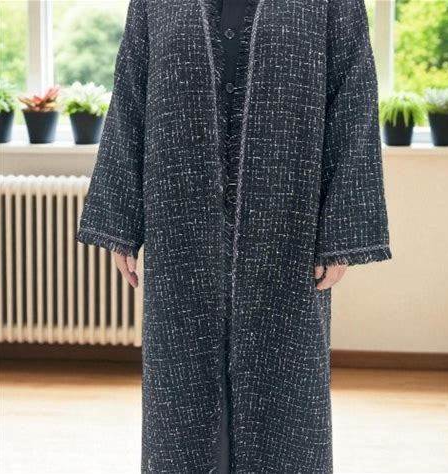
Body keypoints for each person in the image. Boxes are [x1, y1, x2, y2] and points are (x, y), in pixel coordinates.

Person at [77, 0, 391, 472]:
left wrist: (340, 231)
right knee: (182, 381)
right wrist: (122, 221)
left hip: (288, 219)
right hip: (180, 218)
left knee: (285, 381)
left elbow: (353, 99)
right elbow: (130, 94)